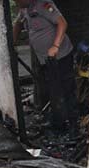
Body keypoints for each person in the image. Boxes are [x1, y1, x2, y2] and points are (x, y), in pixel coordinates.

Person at [13, 0, 78, 136]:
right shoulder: (25, 9)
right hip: (45, 60)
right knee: (52, 90)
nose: (16, 2)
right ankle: (58, 122)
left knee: (66, 90)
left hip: (61, 56)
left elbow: (62, 23)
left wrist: (55, 46)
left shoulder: (44, 5)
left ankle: (73, 125)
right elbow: (18, 24)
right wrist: (12, 43)